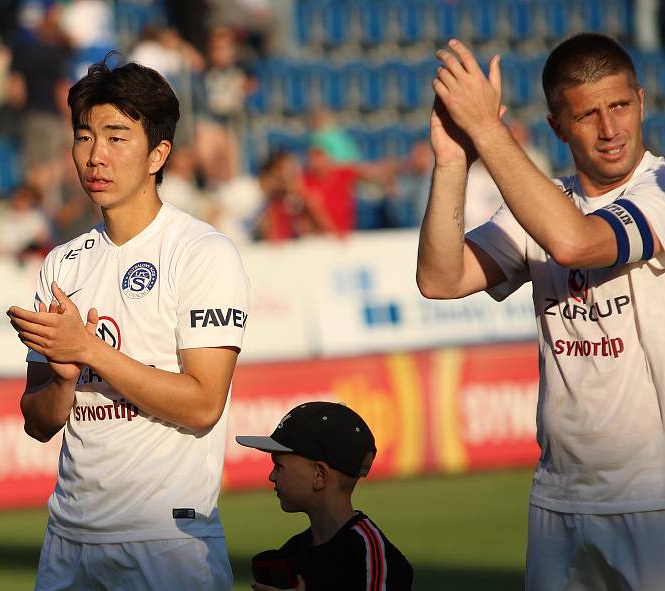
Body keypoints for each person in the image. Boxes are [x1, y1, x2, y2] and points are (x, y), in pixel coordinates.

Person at [417, 33, 665, 590]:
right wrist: (455, 160)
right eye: (588, 115)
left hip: (652, 499)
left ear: (642, 102)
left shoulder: (661, 189)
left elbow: (575, 243)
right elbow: (441, 278)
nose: (610, 130)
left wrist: (487, 128)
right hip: (558, 497)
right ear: (558, 127)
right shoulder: (545, 202)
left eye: (621, 106)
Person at [6, 58, 249, 591]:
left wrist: (89, 351)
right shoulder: (63, 264)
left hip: (166, 543)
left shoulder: (202, 253)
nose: (96, 156)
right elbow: (38, 421)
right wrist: (65, 379)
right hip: (68, 543)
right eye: (84, 136)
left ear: (158, 153)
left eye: (117, 137)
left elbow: (204, 404)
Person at [236, 401, 414, 590]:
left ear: (319, 475)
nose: (271, 476)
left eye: (279, 466)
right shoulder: (292, 553)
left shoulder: (371, 557)